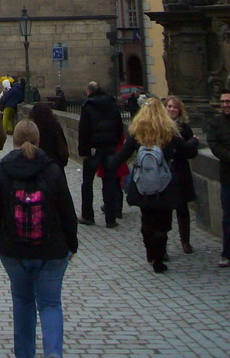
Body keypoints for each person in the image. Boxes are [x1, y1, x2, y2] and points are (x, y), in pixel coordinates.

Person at [0, 120, 77, 358]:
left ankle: (25, 357)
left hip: (14, 250)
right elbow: (67, 210)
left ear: (14, 141)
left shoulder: (4, 170)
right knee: (50, 303)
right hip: (51, 249)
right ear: (38, 141)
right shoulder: (53, 170)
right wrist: (72, 244)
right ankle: (53, 352)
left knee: (23, 303)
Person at [109, 98, 186, 273]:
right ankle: (159, 259)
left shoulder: (137, 134)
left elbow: (120, 158)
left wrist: (111, 168)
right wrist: (195, 142)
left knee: (147, 218)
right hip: (164, 185)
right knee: (163, 222)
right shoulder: (168, 132)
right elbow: (188, 150)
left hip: (142, 184)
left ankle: (150, 251)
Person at [77, 81, 123, 227]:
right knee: (110, 183)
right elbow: (119, 126)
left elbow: (83, 131)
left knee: (87, 183)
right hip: (110, 147)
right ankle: (111, 218)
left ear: (88, 91)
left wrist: (83, 151)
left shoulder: (87, 106)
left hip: (93, 150)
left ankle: (88, 215)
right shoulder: (112, 103)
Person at [207, 87, 230, 267]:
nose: (225, 105)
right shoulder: (216, 123)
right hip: (229, 177)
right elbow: (214, 146)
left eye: (228, 101)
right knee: (228, 218)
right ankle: (228, 254)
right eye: (222, 102)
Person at [164, 94, 199, 254]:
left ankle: (185, 240)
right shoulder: (161, 126)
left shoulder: (184, 127)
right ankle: (162, 245)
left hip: (180, 170)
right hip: (165, 171)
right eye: (169, 106)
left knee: (182, 208)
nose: (171, 109)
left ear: (180, 110)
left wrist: (183, 148)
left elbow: (191, 152)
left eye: (174, 107)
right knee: (164, 210)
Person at [29, 103, 69, 170]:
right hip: (56, 164)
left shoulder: (33, 128)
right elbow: (63, 144)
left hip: (38, 166)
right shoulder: (56, 126)